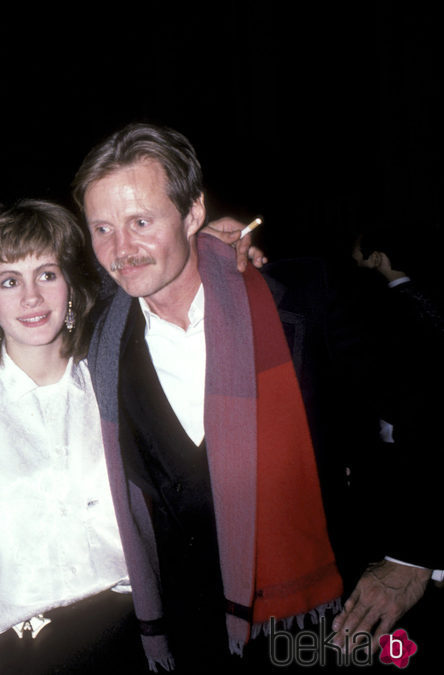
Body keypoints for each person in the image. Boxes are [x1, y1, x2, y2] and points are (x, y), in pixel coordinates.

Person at [72, 122, 348, 671]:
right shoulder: (93, 341)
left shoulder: (300, 300)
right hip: (188, 639)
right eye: (102, 228)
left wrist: (408, 558)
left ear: (193, 213)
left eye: (141, 222)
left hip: (315, 628)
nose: (120, 250)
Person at [0, 200, 144, 674]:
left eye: (46, 274)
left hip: (134, 637)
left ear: (71, 286)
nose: (31, 297)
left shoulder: (109, 382)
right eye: (9, 281)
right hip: (27, 655)